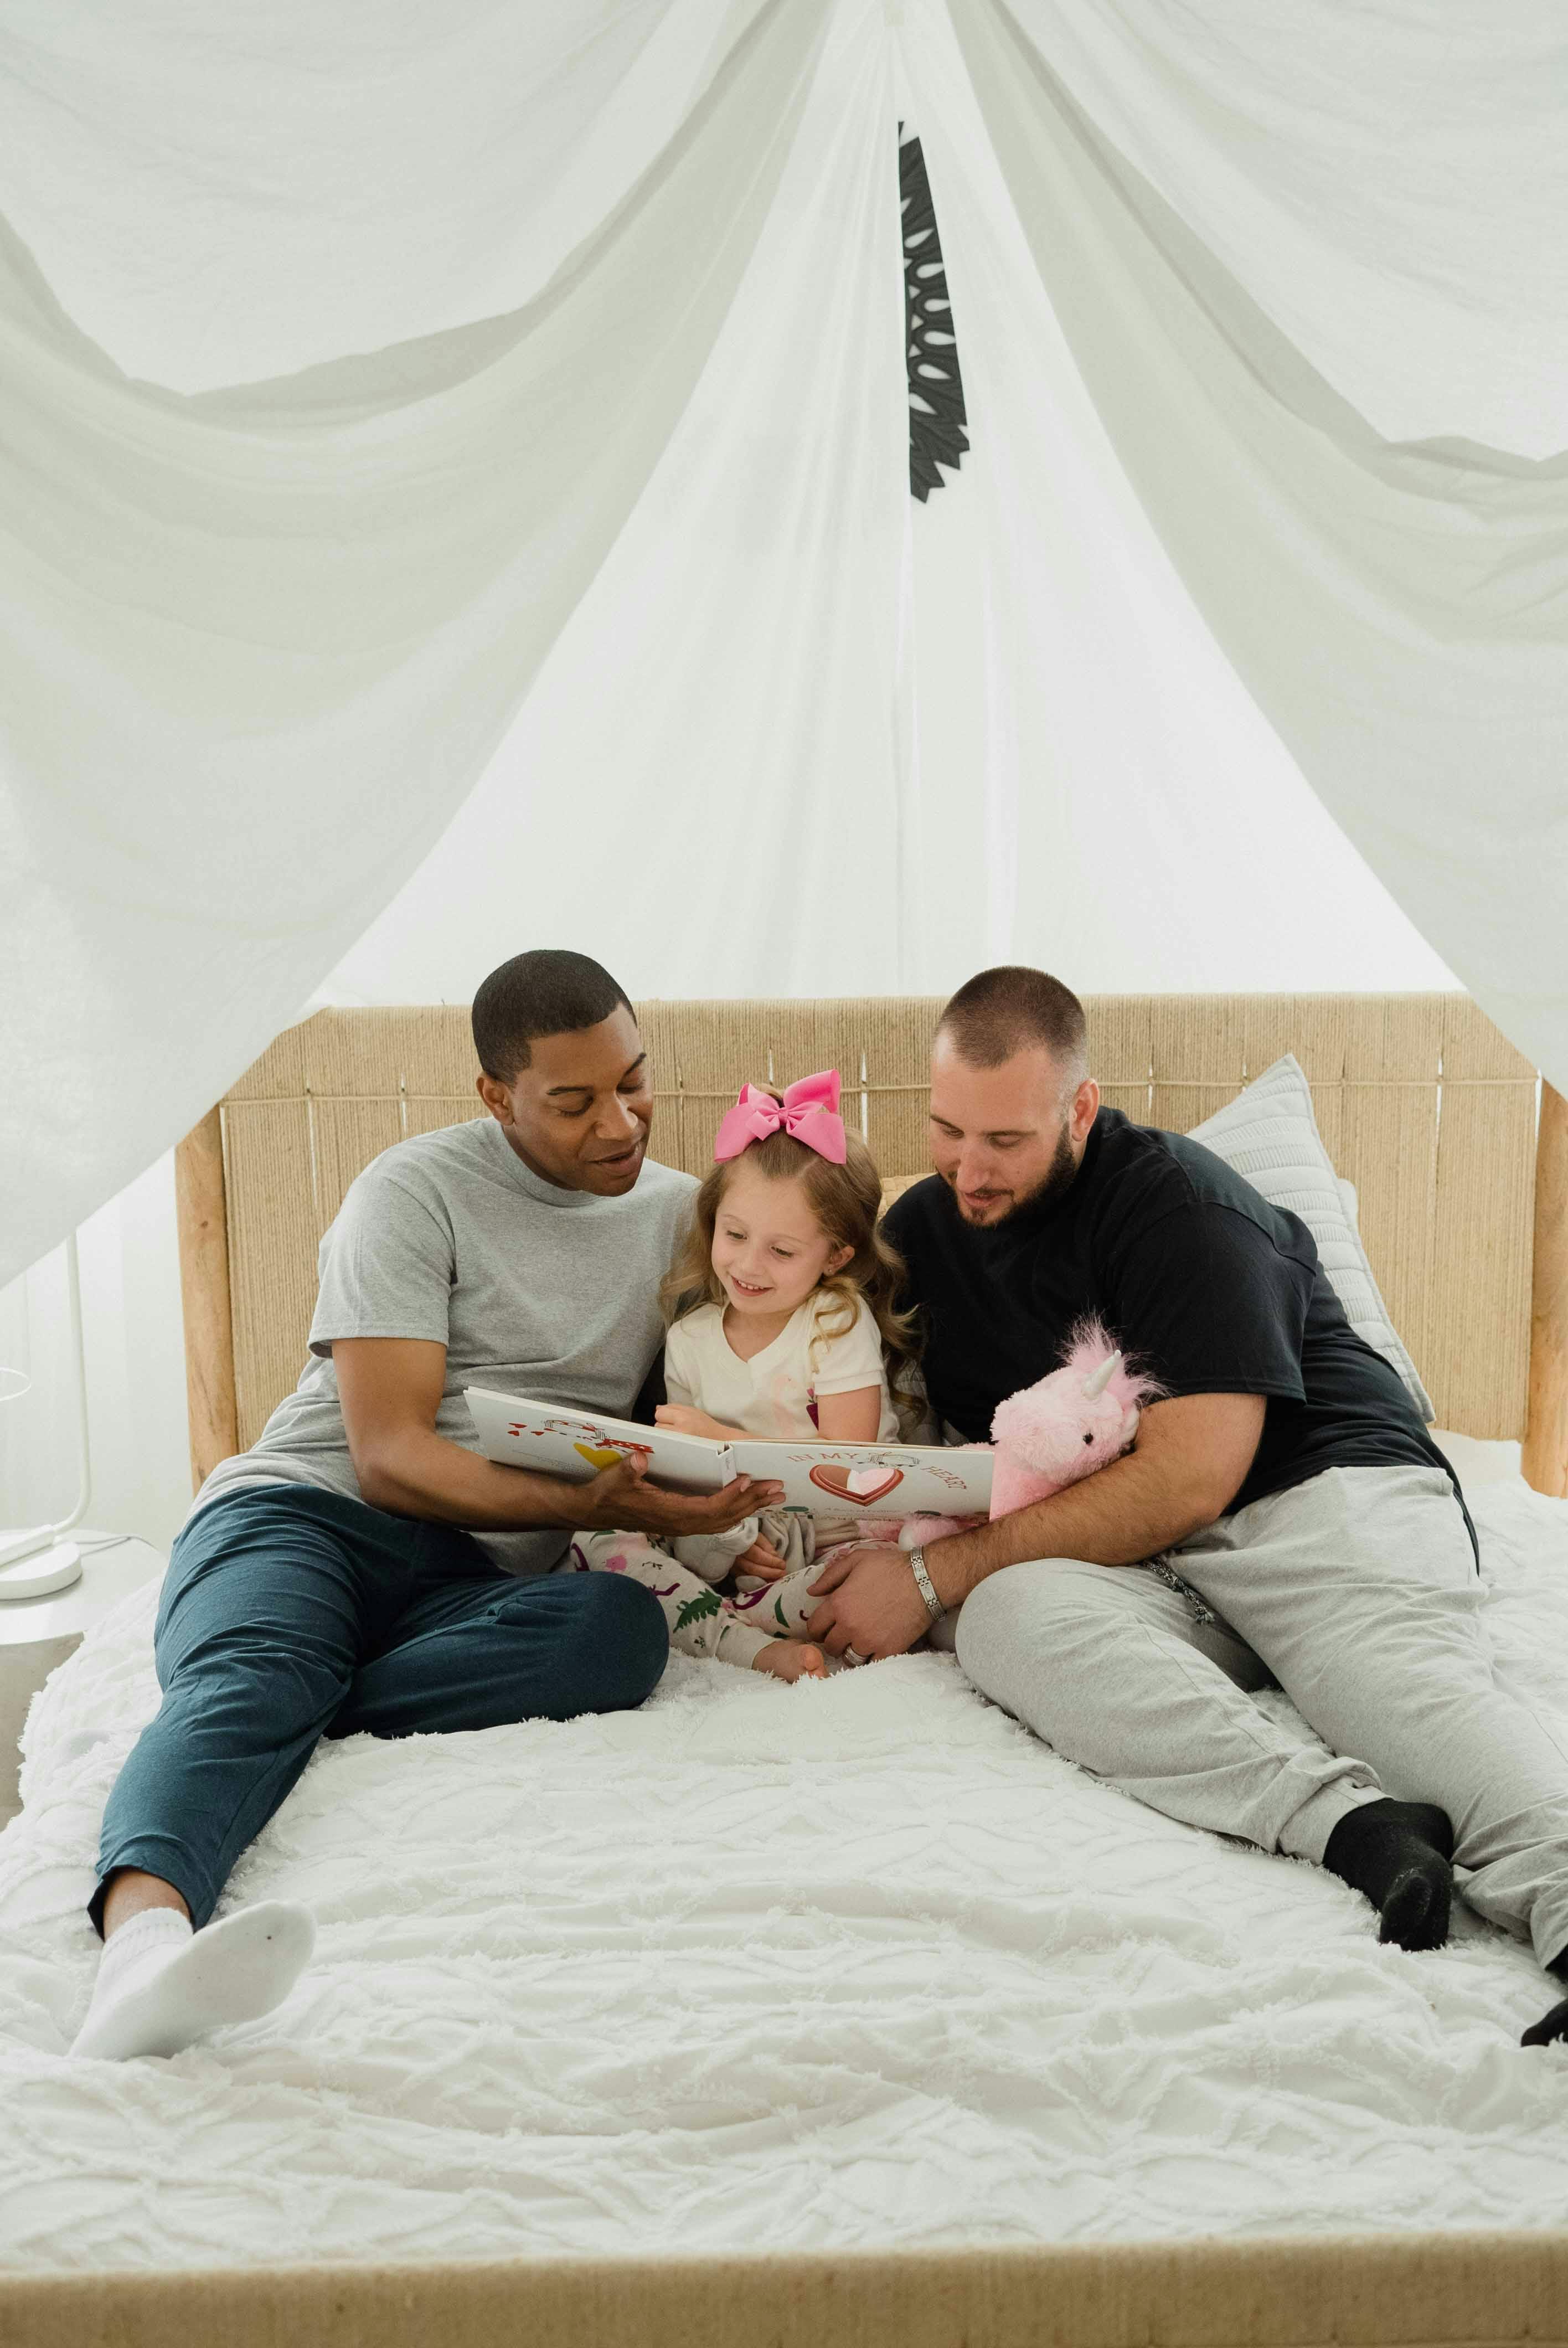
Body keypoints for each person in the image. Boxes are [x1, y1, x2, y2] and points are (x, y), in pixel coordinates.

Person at [804, 965, 1568, 2047]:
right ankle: (1354, 1824)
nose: (969, 1170)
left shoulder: (1179, 1204)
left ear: (1079, 1107)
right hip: (1143, 1564)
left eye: (1005, 1141)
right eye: (947, 1131)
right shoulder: (925, 1230)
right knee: (1008, 1620)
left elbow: (1189, 1476)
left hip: (1310, 1500)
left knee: (1400, 1695)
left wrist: (929, 1575)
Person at [71, 950, 782, 2063]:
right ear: (496, 1097)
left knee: (618, 1631)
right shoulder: (412, 1191)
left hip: (478, 1581)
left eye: (635, 1081)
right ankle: (142, 1955)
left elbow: (711, 1399)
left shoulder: (691, 1218)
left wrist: (700, 1501)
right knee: (256, 1668)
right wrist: (582, 1494)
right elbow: (390, 1453)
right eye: (575, 1100)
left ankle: (306, 1691)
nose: (623, 1121)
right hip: (310, 1516)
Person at [570, 1070, 917, 1681]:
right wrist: (720, 1532)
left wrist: (720, 1440)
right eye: (734, 1235)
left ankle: (727, 1626)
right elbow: (688, 1477)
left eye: (782, 1252)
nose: (748, 1265)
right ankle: (748, 1643)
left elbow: (848, 1470)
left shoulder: (835, 1319)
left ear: (835, 1255)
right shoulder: (690, 1337)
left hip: (831, 1542)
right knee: (592, 1537)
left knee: (873, 1581)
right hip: (726, 1536)